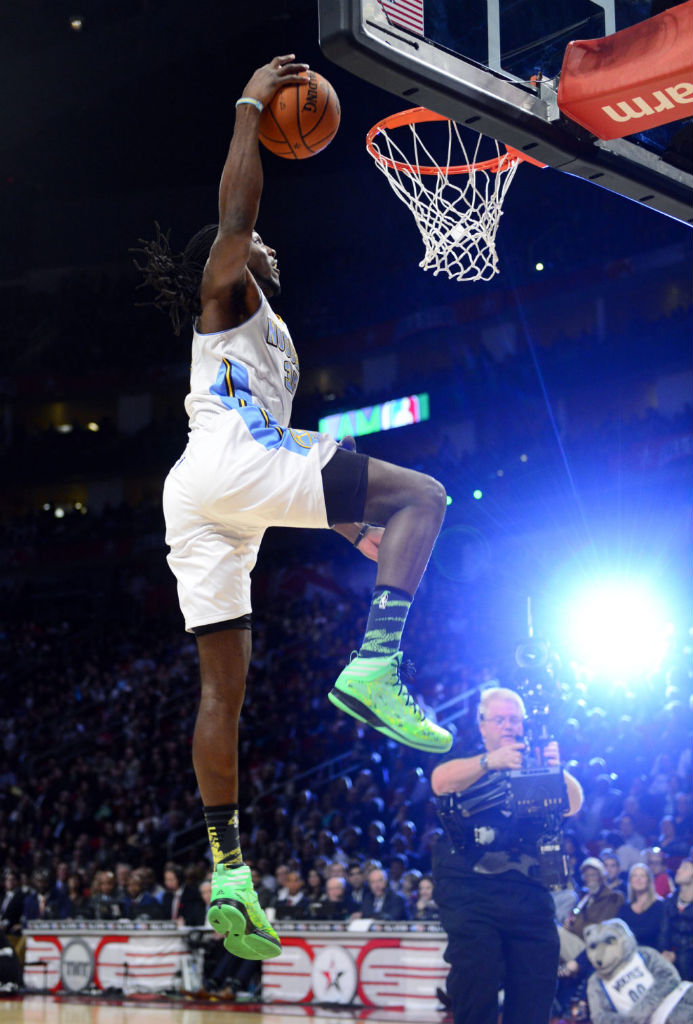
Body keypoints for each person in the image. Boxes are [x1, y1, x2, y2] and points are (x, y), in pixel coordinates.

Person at [132, 53, 451, 964]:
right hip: (232, 463)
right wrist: (248, 107)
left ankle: (228, 870)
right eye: (251, 246)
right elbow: (237, 215)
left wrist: (349, 522)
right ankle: (375, 666)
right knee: (425, 495)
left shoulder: (264, 334)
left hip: (207, 490)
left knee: (219, 691)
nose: (267, 249)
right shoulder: (226, 294)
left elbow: (288, 461)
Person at [431, 685, 584, 1024]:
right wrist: (490, 762)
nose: (509, 726)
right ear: (482, 724)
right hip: (471, 890)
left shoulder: (536, 761)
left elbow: (574, 804)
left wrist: (555, 768)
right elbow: (440, 782)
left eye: (515, 720)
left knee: (537, 984)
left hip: (529, 891)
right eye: (499, 719)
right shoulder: (465, 754)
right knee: (476, 978)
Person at [658, 858, 693, 981]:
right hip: (670, 953)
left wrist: (676, 955)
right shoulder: (670, 900)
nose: (678, 870)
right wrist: (664, 950)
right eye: (679, 867)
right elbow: (663, 930)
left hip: (687, 955)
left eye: (685, 868)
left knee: (685, 959)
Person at [617, 862, 664, 948]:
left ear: (649, 880)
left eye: (642, 876)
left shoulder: (660, 906)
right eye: (635, 876)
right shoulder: (624, 908)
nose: (638, 879)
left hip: (651, 953)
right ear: (630, 880)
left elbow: (656, 932)